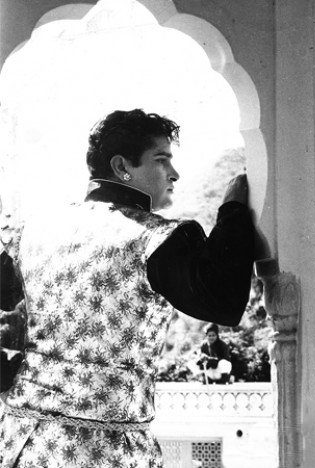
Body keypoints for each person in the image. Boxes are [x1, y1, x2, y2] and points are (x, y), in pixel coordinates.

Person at [0, 109, 255, 467]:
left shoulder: (34, 231)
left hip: (22, 442)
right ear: (122, 167)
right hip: (104, 451)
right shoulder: (153, 238)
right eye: (161, 159)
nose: (175, 173)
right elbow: (224, 302)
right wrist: (232, 212)